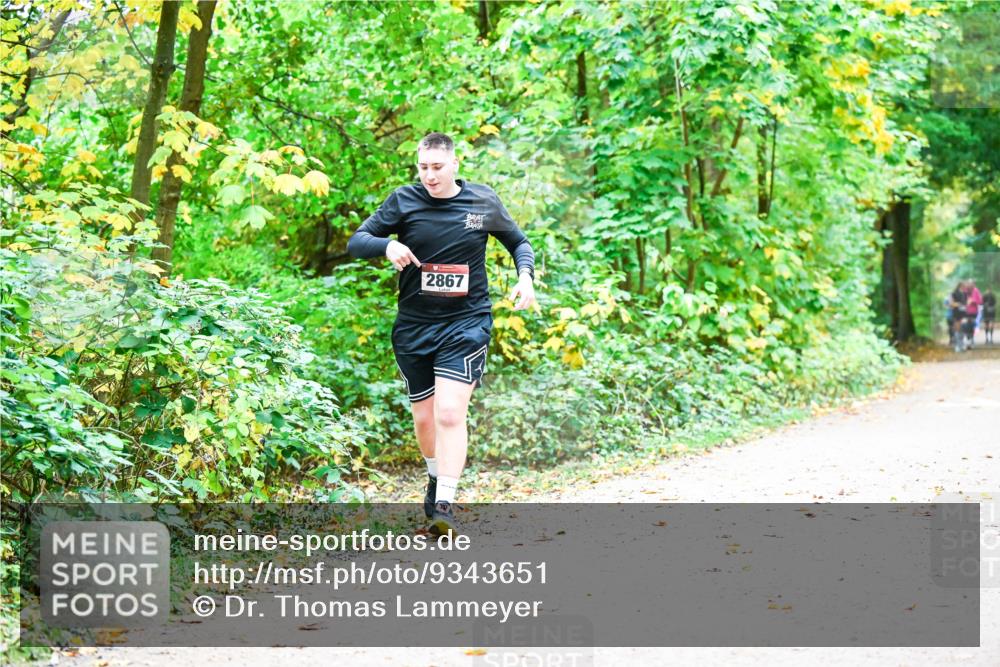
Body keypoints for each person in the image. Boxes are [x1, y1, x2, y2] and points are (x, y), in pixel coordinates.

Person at [347, 132, 536, 536]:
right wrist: (386, 247)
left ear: (454, 164)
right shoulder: (404, 200)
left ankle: (445, 506)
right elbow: (356, 241)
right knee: (424, 419)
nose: (429, 176)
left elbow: (519, 242)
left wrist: (526, 278)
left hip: (466, 323)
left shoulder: (482, 202)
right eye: (423, 168)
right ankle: (435, 479)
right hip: (415, 325)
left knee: (450, 412)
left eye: (437, 167)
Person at [963, 279, 982, 348]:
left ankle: (971, 339)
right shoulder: (965, 290)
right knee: (966, 325)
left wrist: (973, 301)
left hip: (973, 311)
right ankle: (968, 339)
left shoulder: (976, 290)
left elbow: (980, 301)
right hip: (965, 311)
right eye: (969, 283)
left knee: (972, 325)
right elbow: (961, 299)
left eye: (972, 284)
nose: (970, 285)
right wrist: (965, 301)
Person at [949, 283, 967, 352]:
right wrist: (958, 304)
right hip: (957, 313)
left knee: (963, 328)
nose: (964, 287)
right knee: (957, 329)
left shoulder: (965, 294)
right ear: (960, 286)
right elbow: (951, 303)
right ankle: (957, 345)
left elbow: (965, 303)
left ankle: (962, 344)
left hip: (963, 313)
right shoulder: (954, 293)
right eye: (963, 286)